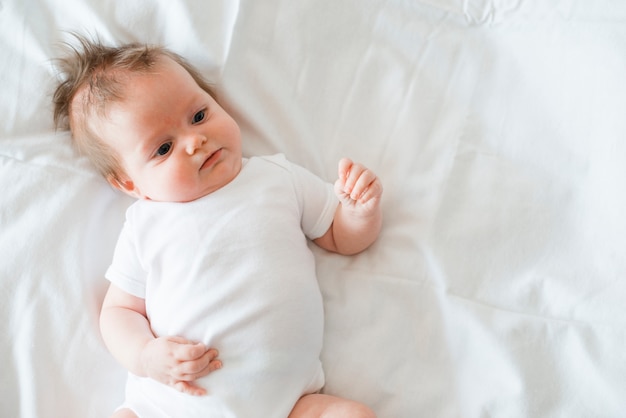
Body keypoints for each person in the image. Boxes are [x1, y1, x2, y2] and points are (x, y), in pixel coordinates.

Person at [53, 36, 382, 418]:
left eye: (199, 116)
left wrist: (359, 212)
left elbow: (340, 235)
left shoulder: (276, 178)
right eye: (163, 148)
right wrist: (145, 355)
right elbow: (119, 312)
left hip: (287, 405)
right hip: (170, 405)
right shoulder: (146, 225)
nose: (195, 141)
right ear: (129, 184)